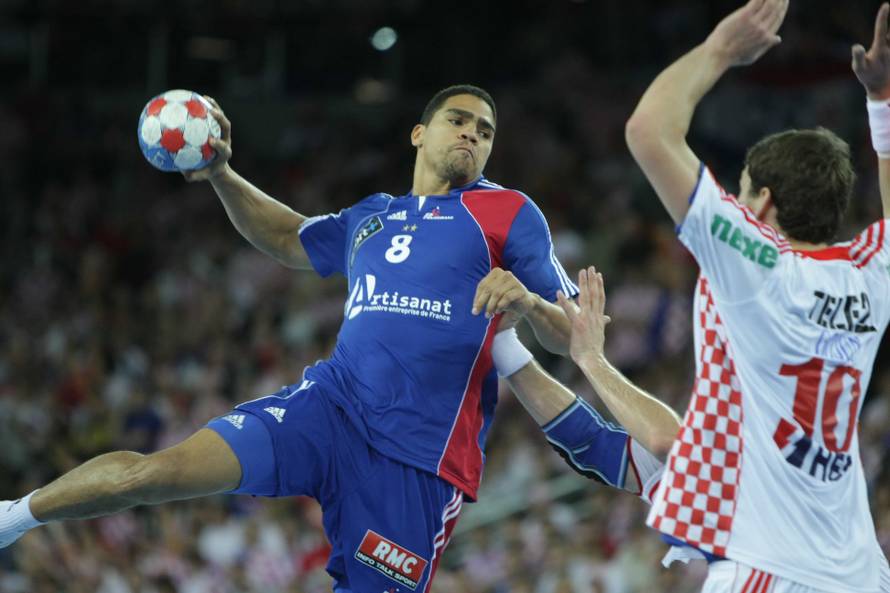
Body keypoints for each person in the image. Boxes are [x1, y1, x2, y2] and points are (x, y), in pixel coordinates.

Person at [0, 84, 578, 593]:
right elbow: (285, 236)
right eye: (459, 120)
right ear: (419, 133)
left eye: (485, 131)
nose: (473, 136)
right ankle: (13, 516)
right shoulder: (371, 216)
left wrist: (527, 303)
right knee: (156, 474)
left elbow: (568, 335)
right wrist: (222, 176)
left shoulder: (508, 212)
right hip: (329, 409)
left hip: (418, 461)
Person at [621, 0, 890, 590]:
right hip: (861, 573)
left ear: (762, 205)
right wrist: (881, 103)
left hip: (769, 568)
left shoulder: (756, 262)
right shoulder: (872, 273)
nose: (738, 206)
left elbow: (648, 131)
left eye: (742, 194)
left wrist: (720, 49)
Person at [490, 266, 890, 591]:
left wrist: (592, 360)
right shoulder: (721, 449)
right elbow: (596, 445)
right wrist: (501, 343)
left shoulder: (784, 437)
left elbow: (668, 443)